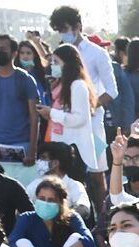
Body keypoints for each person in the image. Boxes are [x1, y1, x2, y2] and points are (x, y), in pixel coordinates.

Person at [48, 7, 118, 214]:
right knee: (66, 175)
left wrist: (89, 107)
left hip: (93, 124)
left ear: (78, 27)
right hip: (65, 126)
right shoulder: (60, 54)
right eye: (59, 30)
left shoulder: (97, 53)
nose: (63, 34)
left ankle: (103, 220)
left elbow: (112, 91)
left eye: (65, 29)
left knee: (97, 175)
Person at [37, 43, 100, 186]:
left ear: (68, 64)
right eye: (52, 62)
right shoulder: (61, 86)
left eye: (56, 62)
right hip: (62, 148)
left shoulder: (77, 86)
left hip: (75, 151)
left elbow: (80, 118)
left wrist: (52, 113)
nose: (53, 65)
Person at [0, 33, 41, 164]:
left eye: (3, 49)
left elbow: (34, 116)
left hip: (22, 143)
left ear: (13, 53)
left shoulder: (25, 79)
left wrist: (32, 149)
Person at [29, 141, 91, 221]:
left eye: (43, 158)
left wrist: (64, 217)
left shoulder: (75, 186)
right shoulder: (35, 184)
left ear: (55, 163)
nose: (38, 161)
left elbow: (84, 208)